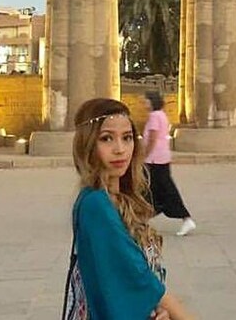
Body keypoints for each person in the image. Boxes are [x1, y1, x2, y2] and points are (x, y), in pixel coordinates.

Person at [65, 98, 192, 319]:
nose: (120, 149)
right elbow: (138, 277)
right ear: (87, 144)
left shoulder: (122, 198)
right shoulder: (95, 204)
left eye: (127, 138)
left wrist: (155, 309)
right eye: (106, 139)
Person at [142, 91, 196, 237]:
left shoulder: (154, 116)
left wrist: (144, 155)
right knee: (153, 189)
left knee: (164, 189)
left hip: (154, 159)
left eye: (146, 100)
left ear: (152, 101)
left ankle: (185, 218)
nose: (144, 103)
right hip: (161, 157)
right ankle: (142, 217)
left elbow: (152, 139)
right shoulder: (161, 114)